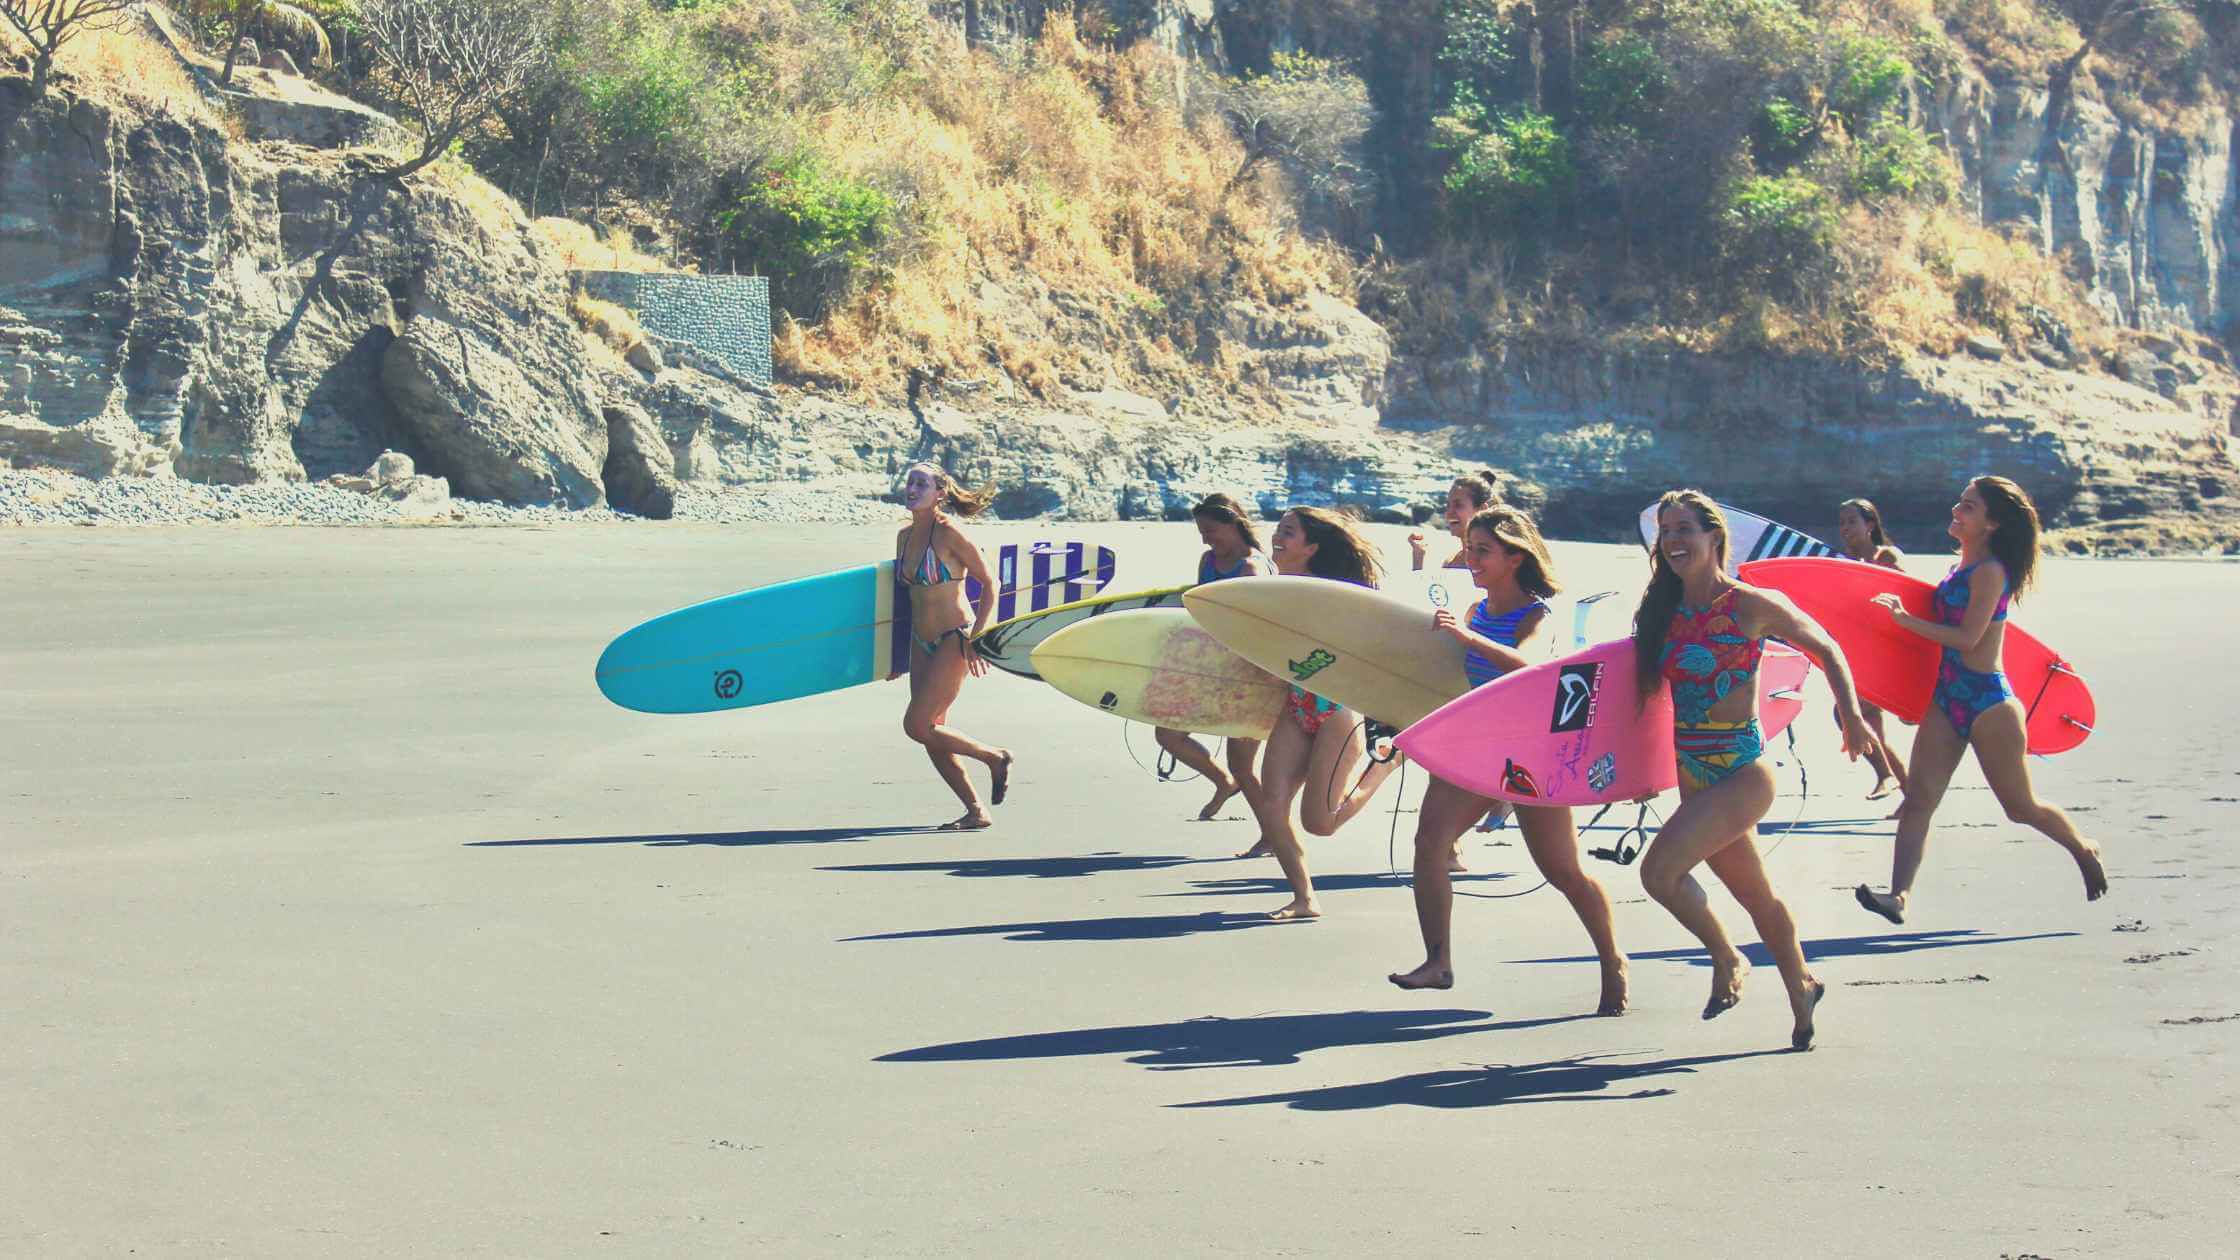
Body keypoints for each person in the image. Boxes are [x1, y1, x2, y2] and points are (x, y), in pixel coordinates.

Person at [1636, 490, 1876, 1051]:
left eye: (1685, 529)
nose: (1673, 540)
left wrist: (1852, 717)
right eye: (1666, 530)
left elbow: (1827, 646)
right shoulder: (1659, 611)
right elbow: (1639, 699)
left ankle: (1727, 958)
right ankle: (1802, 985)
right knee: (1756, 895)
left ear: (1714, 536)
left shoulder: (1749, 604)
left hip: (1742, 770)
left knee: (1659, 874)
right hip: (1692, 771)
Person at [1387, 506, 1628, 1013]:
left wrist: (1469, 637)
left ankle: (1613, 961)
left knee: (1563, 870)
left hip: (1532, 750)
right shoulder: (1475, 610)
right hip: (1479, 742)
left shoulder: (1536, 613)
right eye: (1470, 548)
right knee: (1429, 839)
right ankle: (1438, 961)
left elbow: (1532, 665)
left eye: (1482, 551)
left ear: (1514, 558)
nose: (1470, 559)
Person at [1854, 477, 2108, 924]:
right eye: (1960, 502)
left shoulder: (1991, 572)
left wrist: (1903, 619)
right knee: (1918, 800)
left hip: (1989, 703)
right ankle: (1898, 897)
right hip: (1947, 699)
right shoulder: (1959, 568)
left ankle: (2081, 845)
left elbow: (1969, 639)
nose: (1957, 509)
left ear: (1991, 523)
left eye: (1968, 507)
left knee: (2020, 807)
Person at [1244, 507, 1403, 920]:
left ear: (1311, 547)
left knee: (1320, 822)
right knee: (1271, 804)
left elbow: (1365, 643)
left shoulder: (1333, 595)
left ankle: (1384, 767)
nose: (1277, 538)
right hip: (1297, 706)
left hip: (1337, 711)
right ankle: (1304, 898)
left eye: (1289, 533)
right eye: (1278, 530)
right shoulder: (1275, 590)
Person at [894, 463, 1013, 831]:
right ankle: (976, 810)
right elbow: (903, 600)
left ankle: (994, 757)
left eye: (921, 483)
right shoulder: (904, 536)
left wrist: (978, 637)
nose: (912, 488)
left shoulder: (950, 534)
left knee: (916, 725)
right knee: (933, 732)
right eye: (910, 481)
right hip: (919, 641)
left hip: (953, 638)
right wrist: (896, 656)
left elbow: (990, 584)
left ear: (940, 494)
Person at [1153, 493, 1271, 826]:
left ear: (1234, 525)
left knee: (1244, 766)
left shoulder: (1252, 568)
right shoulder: (1207, 561)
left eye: (1211, 531)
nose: (1207, 539)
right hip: (1209, 670)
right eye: (1202, 532)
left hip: (1250, 677)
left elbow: (1261, 629)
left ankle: (1272, 835)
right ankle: (1223, 782)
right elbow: (1198, 611)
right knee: (1168, 734)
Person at [1837, 497, 1909, 801]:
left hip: (1887, 652)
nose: (1845, 528)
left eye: (1852, 521)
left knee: (1847, 712)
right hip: (1862, 654)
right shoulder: (1846, 563)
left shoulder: (1887, 556)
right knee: (1873, 731)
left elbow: (1904, 597)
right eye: (1842, 523)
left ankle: (1885, 774)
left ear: (1870, 524)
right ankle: (1913, 799)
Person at [1408, 470, 1503, 572]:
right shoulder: (1452, 563)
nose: (1448, 513)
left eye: (1458, 505)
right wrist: (1418, 557)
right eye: (1448, 506)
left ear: (1482, 510)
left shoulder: (1498, 562)